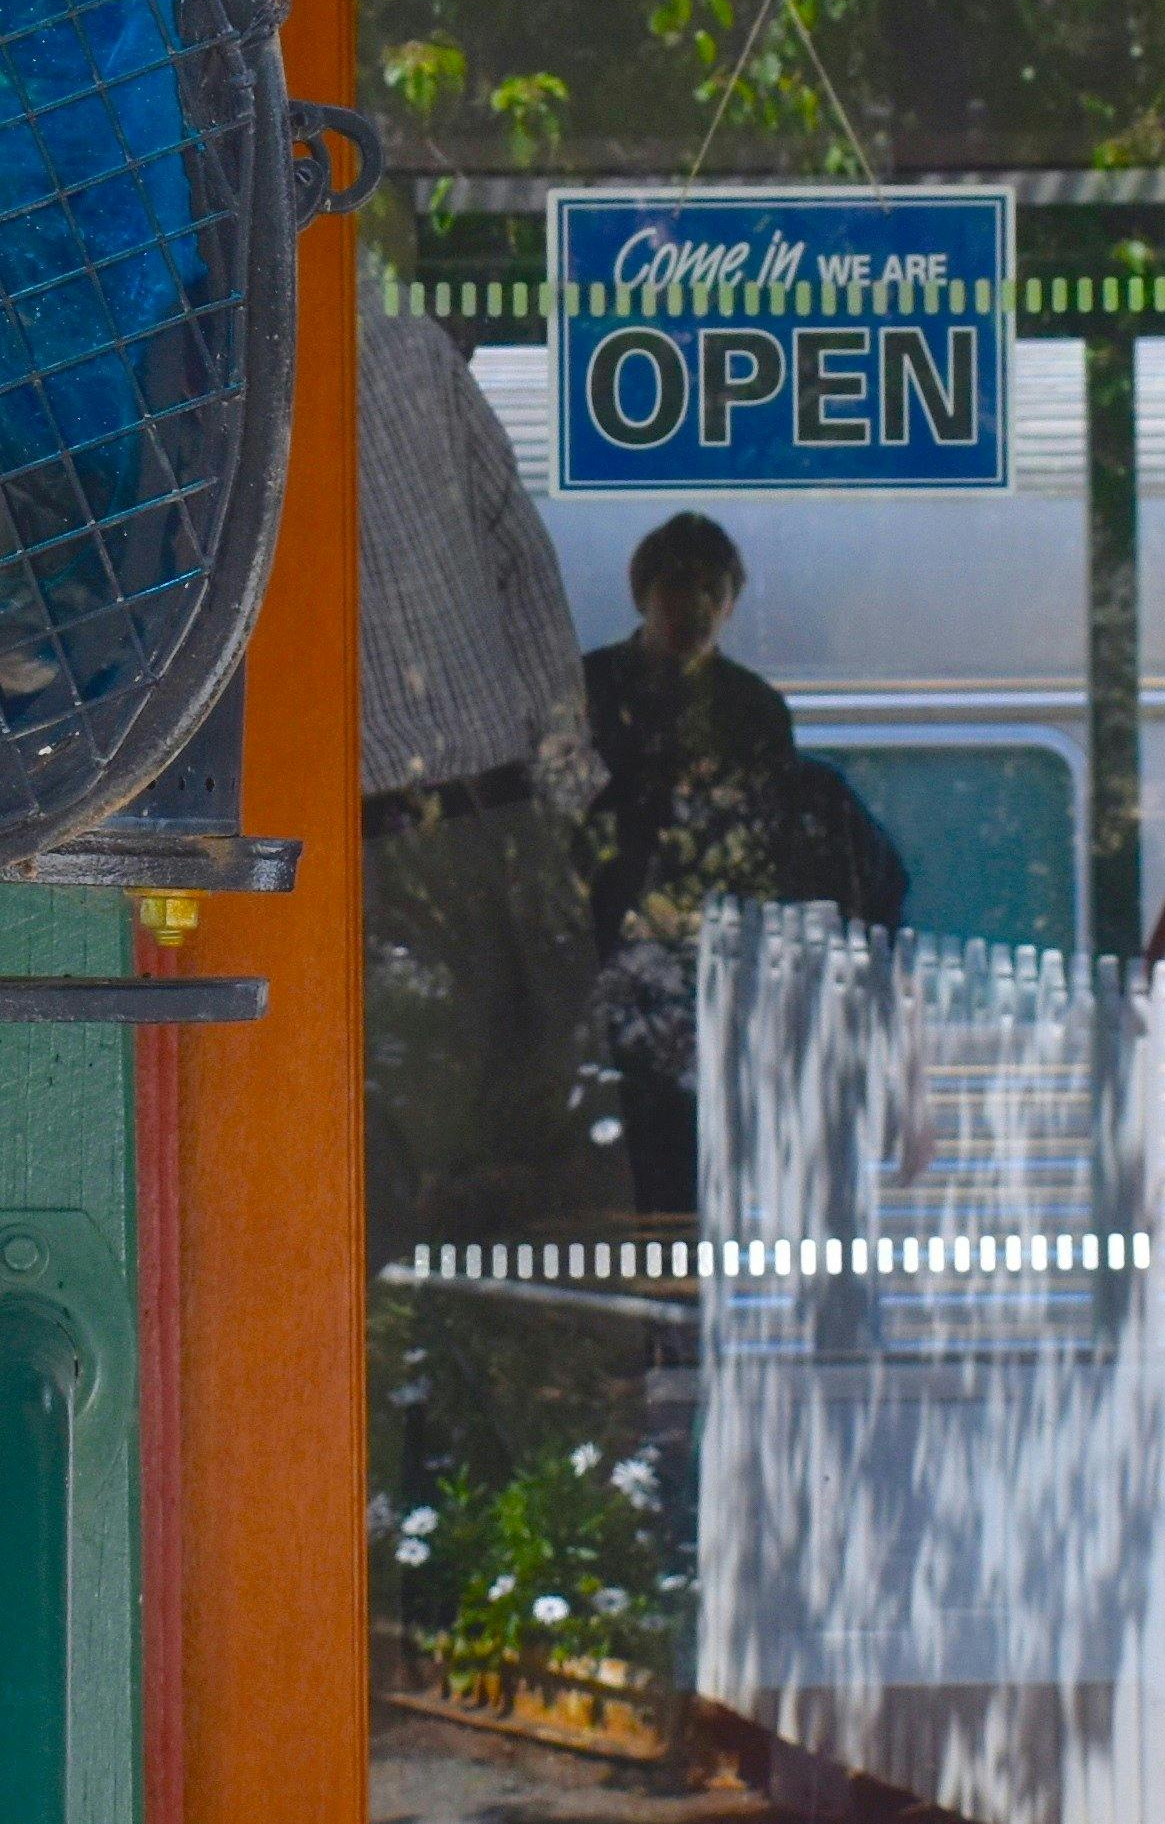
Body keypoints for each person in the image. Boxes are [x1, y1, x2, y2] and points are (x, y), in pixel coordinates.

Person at [356, 295, 610, 1254]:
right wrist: (561, 792)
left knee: (426, 1107)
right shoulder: (405, 352)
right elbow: (522, 561)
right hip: (476, 809)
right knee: (517, 1087)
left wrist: (560, 792)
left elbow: (519, 559)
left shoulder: (204, 359)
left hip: (405, 824)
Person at [577, 513, 901, 1213]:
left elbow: (771, 857)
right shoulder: (589, 690)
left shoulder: (754, 709)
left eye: (710, 590)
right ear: (643, 594)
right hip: (609, 969)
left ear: (728, 604)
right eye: (676, 587)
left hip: (713, 979)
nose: (692, 606)